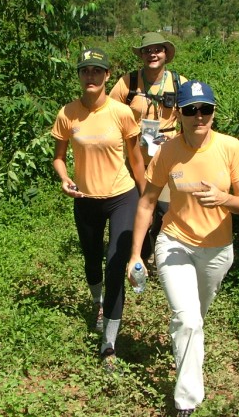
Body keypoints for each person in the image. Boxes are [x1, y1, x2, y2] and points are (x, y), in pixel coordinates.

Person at [126, 80, 239, 416]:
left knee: (194, 318)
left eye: (205, 109)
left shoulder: (230, 148)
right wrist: (136, 254)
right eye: (191, 110)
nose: (199, 116)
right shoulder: (168, 151)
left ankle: (183, 335)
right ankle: (186, 400)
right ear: (179, 114)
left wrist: (224, 198)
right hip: (175, 243)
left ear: (213, 111)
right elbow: (147, 203)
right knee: (189, 320)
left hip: (217, 250)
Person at [51, 48, 146, 371]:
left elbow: (135, 159)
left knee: (115, 262)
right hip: (85, 198)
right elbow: (59, 157)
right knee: (91, 258)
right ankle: (98, 303)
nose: (90, 76)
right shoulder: (68, 113)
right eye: (85, 71)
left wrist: (145, 196)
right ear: (79, 76)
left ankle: (109, 344)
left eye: (97, 71)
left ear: (107, 76)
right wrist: (64, 179)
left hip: (122, 195)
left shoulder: (121, 113)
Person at [110, 32, 187, 267]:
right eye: (147, 50)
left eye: (158, 49)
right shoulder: (128, 82)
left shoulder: (178, 82)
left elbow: (192, 118)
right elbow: (109, 112)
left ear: (166, 54)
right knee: (135, 206)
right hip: (135, 158)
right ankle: (138, 253)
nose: (152, 54)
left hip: (167, 157)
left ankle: (161, 252)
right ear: (141, 55)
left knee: (165, 208)